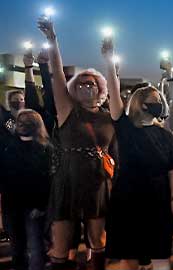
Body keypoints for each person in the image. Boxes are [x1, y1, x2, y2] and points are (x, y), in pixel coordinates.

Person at [38, 16, 115, 270]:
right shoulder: (67, 112)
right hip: (68, 178)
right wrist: (52, 40)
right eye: (80, 83)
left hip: (97, 180)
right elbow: (56, 75)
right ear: (73, 88)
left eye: (91, 83)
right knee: (60, 244)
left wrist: (109, 60)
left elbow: (115, 90)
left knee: (98, 240)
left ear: (99, 88)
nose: (85, 86)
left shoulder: (109, 116)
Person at [100, 37, 173, 270]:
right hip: (128, 200)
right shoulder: (126, 128)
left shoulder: (165, 134)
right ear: (140, 104)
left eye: (160, 99)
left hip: (158, 199)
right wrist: (109, 63)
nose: (159, 103)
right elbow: (114, 98)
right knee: (130, 258)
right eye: (153, 100)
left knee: (160, 256)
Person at [0, 109, 52, 270]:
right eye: (20, 122)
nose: (22, 125)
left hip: (32, 206)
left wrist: (41, 206)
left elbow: (48, 182)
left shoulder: (45, 149)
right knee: (18, 247)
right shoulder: (8, 147)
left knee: (35, 247)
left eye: (26, 122)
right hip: (13, 205)